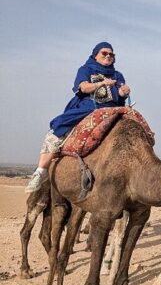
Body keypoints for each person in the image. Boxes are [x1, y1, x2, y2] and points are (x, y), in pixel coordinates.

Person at [25, 42, 131, 193]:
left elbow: (119, 97)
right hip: (89, 108)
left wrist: (123, 92)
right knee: (56, 131)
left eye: (111, 54)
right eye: (104, 53)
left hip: (113, 109)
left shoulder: (117, 75)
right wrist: (102, 83)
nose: (108, 56)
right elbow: (83, 87)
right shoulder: (86, 69)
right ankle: (40, 172)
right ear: (95, 55)